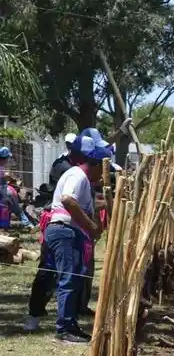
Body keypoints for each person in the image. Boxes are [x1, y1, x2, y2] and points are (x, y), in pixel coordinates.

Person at [44, 128, 111, 343]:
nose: (102, 174)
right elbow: (68, 200)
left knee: (74, 277)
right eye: (102, 168)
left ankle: (70, 323)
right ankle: (64, 328)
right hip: (64, 231)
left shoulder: (84, 179)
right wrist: (91, 226)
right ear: (95, 164)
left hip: (69, 232)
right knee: (68, 278)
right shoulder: (77, 175)